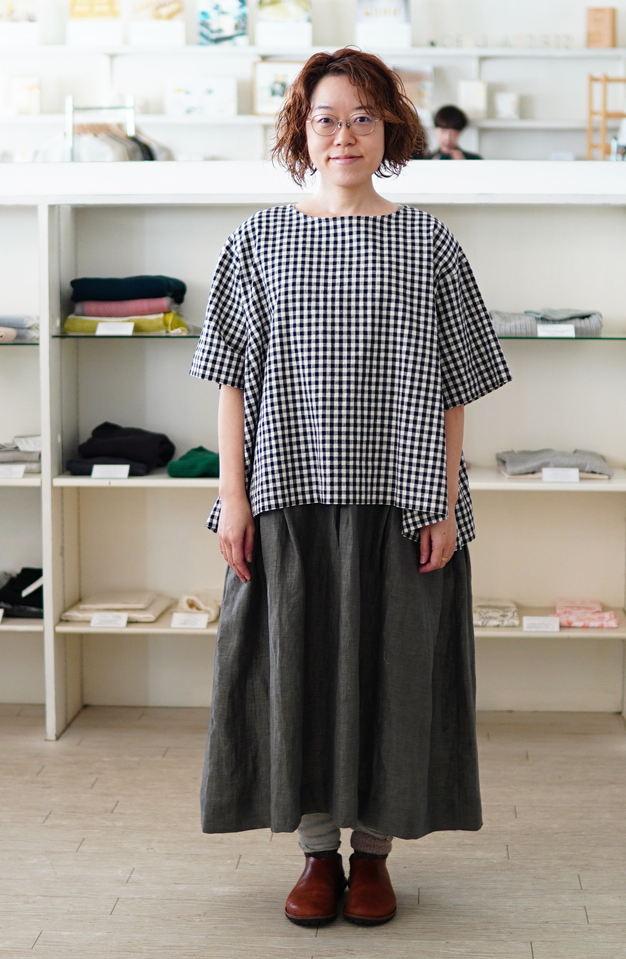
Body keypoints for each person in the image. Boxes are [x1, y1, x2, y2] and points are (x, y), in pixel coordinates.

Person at [189, 48, 510, 929]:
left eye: (364, 118)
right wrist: (234, 496)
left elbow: (454, 386)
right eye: (327, 118)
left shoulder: (429, 243)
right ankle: (315, 853)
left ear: (390, 130)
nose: (344, 135)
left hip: (403, 500)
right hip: (288, 494)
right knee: (296, 673)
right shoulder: (256, 241)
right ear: (301, 131)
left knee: (394, 674)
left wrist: (442, 500)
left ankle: (373, 856)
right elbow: (230, 381)